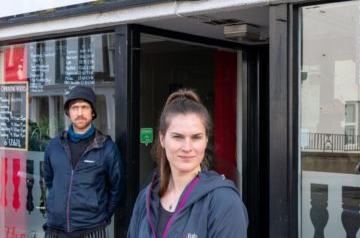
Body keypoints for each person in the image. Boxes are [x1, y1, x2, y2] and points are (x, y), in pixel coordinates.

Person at [127, 89, 248, 238]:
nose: (187, 147)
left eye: (196, 137)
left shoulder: (224, 202)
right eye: (178, 137)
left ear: (206, 141)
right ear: (163, 139)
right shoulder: (145, 199)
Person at [43, 86, 124, 238]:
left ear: (93, 112)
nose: (79, 113)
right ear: (68, 112)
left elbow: (116, 188)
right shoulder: (54, 146)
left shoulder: (106, 148)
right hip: (55, 228)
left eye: (85, 107)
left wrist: (103, 216)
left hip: (91, 229)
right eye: (75, 107)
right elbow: (49, 181)